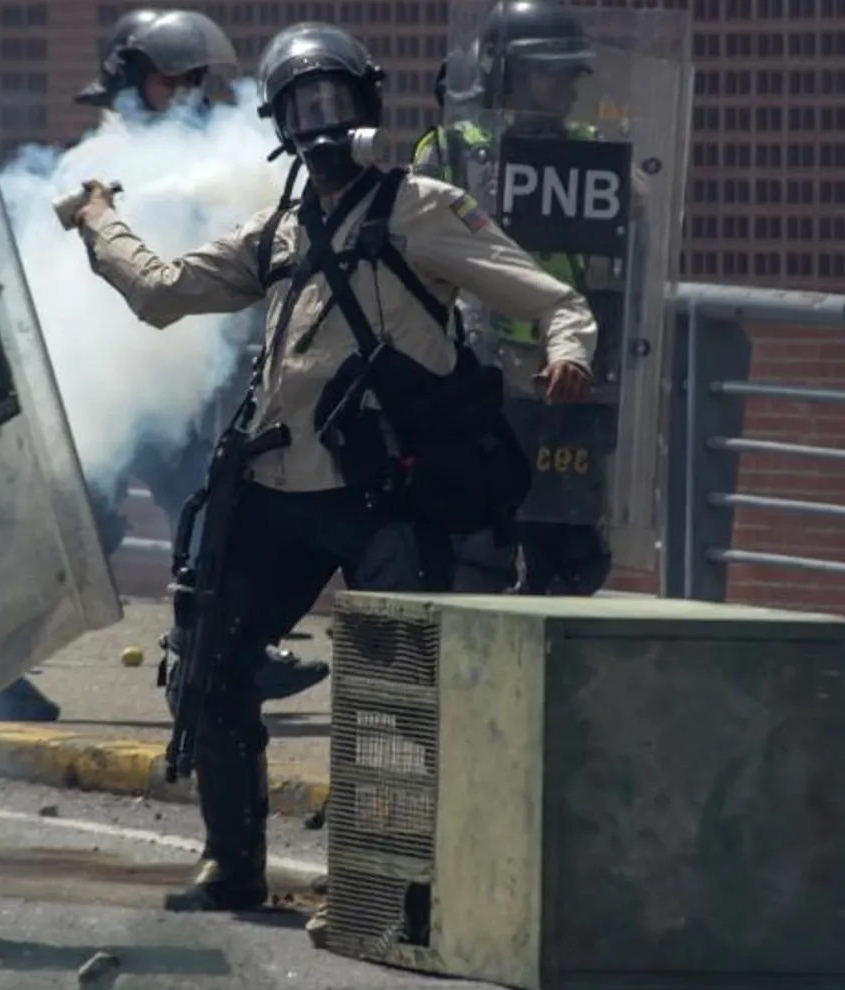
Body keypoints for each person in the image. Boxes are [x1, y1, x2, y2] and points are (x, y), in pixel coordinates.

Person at [71, 21, 597, 913]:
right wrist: (97, 220)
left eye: (337, 100)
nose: (321, 120)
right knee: (212, 665)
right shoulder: (274, 227)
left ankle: (400, 888)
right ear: (278, 119)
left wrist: (570, 348)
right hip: (279, 489)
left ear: (367, 105)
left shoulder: (422, 207)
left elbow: (552, 296)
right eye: (302, 105)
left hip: (387, 492)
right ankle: (231, 863)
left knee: (398, 689)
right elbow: (163, 293)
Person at [0, 7, 327, 722]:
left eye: (200, 81)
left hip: (175, 386)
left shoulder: (190, 158)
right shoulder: (95, 163)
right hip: (108, 384)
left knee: (213, 518)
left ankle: (220, 656)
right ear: (132, 79)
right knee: (84, 532)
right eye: (177, 80)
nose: (194, 96)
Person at [411, 0, 614, 596]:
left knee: (576, 553)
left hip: (567, 375)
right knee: (480, 549)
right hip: (480, 374)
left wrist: (638, 201)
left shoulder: (596, 148)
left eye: (572, 74)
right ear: (505, 73)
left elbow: (626, 255)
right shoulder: (451, 150)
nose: (567, 90)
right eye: (551, 72)